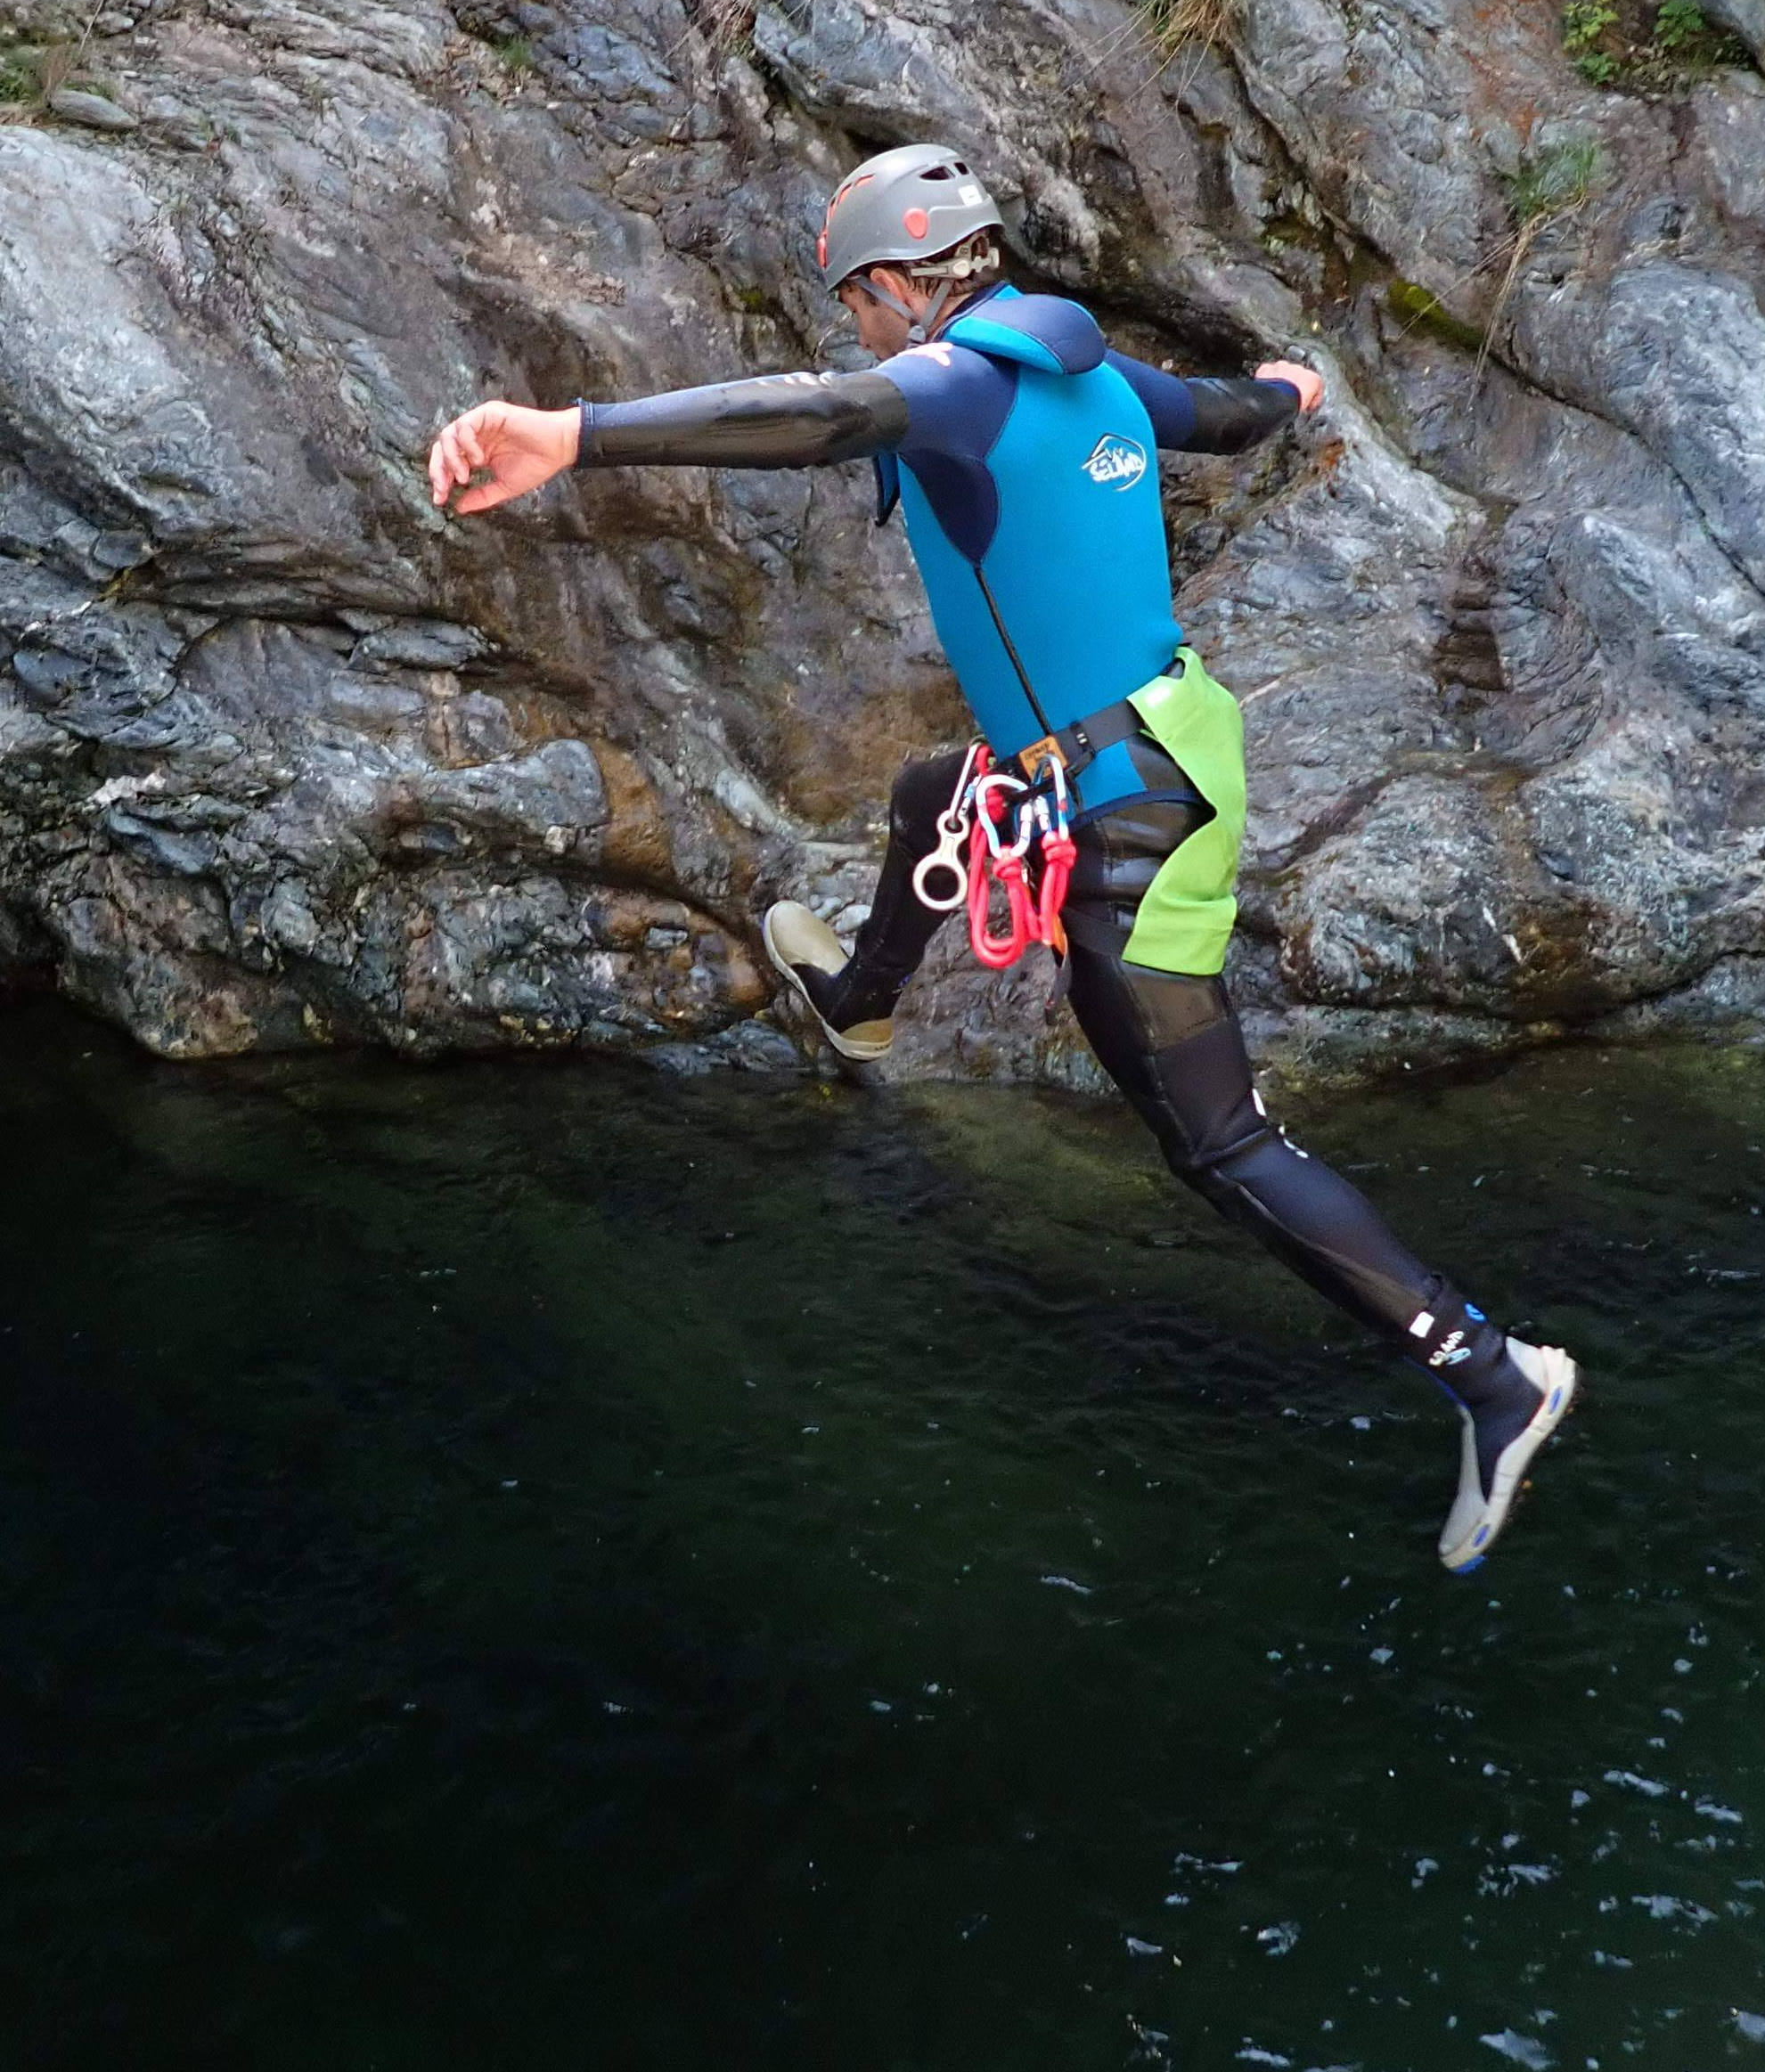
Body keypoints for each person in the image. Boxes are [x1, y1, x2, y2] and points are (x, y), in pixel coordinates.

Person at [426, 143, 1575, 1570]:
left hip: (1129, 818)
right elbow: (1219, 416)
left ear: (903, 286)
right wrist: (1294, 389)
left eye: (857, 300)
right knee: (935, 791)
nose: (856, 326)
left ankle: (1490, 1372)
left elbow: (826, 413)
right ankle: (861, 998)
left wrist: (573, 432)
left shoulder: (955, 383)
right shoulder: (1089, 374)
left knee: (1218, 1141)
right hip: (1142, 753)